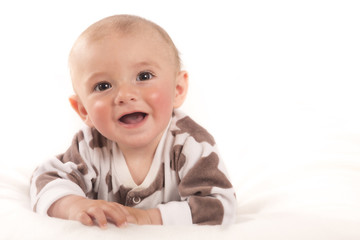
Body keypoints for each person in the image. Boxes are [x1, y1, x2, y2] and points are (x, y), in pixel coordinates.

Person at [30, 14, 237, 228]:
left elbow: (220, 206)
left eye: (144, 76)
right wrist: (75, 206)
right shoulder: (90, 145)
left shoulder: (191, 144)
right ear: (84, 110)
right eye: (103, 86)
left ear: (178, 90)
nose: (125, 95)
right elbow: (45, 179)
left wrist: (149, 218)